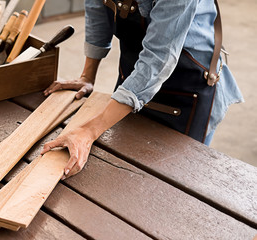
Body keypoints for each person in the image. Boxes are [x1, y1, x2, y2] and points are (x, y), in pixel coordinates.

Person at [41, 0, 244, 179]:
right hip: (134, 79)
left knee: (176, 184)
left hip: (187, 87)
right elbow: (97, 7)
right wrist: (88, 76)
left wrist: (88, 131)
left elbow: (159, 58)